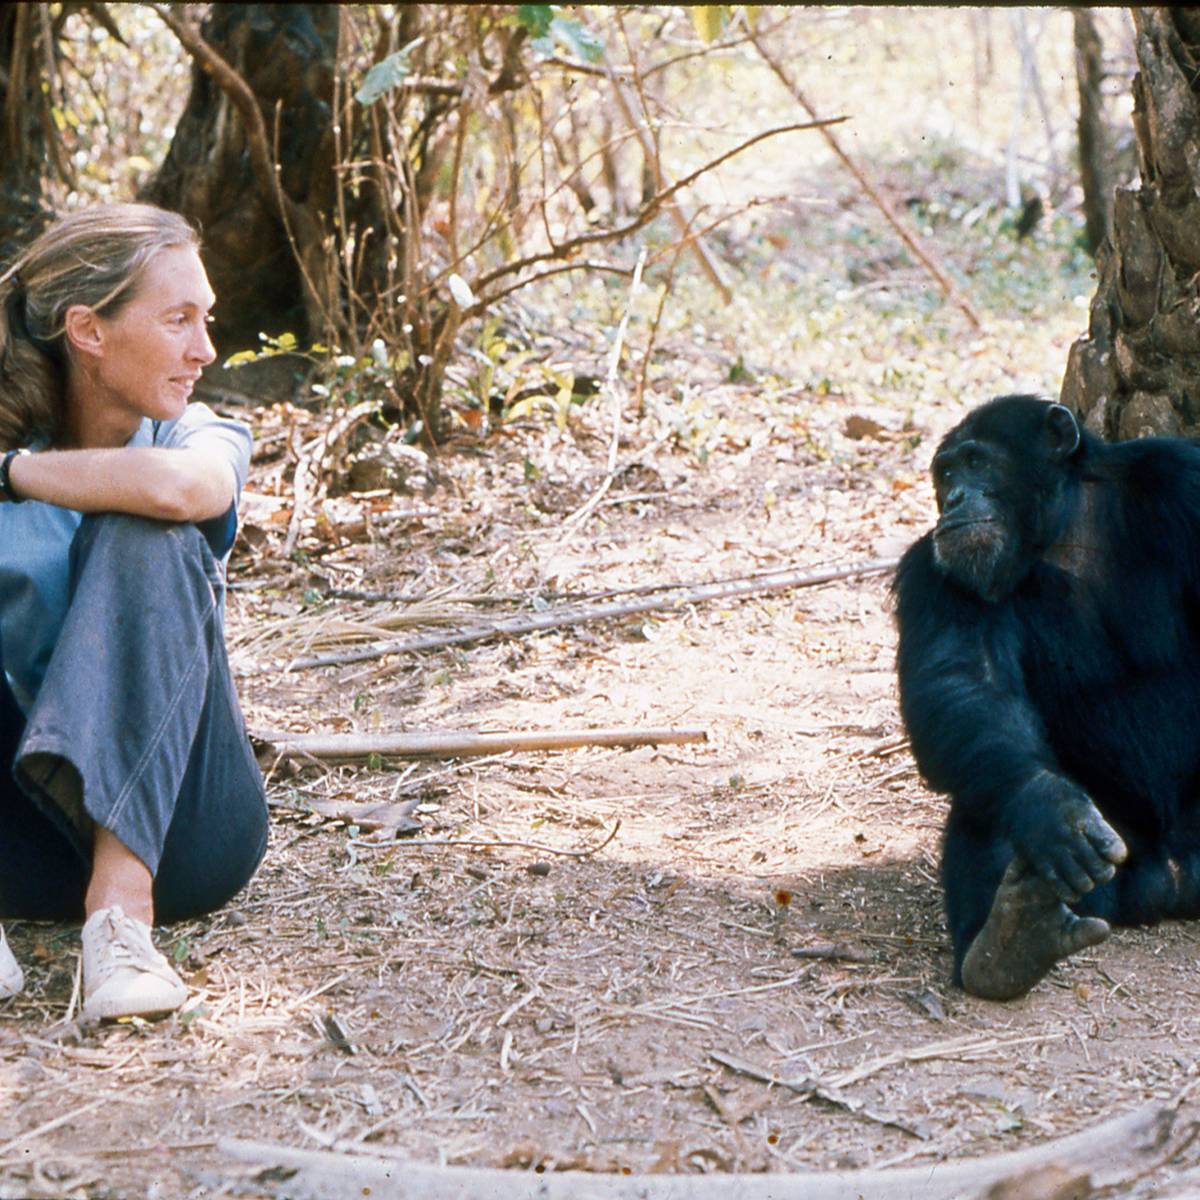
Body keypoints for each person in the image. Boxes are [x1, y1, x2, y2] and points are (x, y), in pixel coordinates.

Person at [0, 202, 268, 1021]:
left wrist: (13, 473)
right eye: (179, 320)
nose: (205, 350)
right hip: (24, 839)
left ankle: (120, 924)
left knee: (146, 529)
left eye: (206, 320)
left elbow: (176, 491)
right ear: (88, 330)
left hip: (186, 833)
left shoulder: (199, 434)